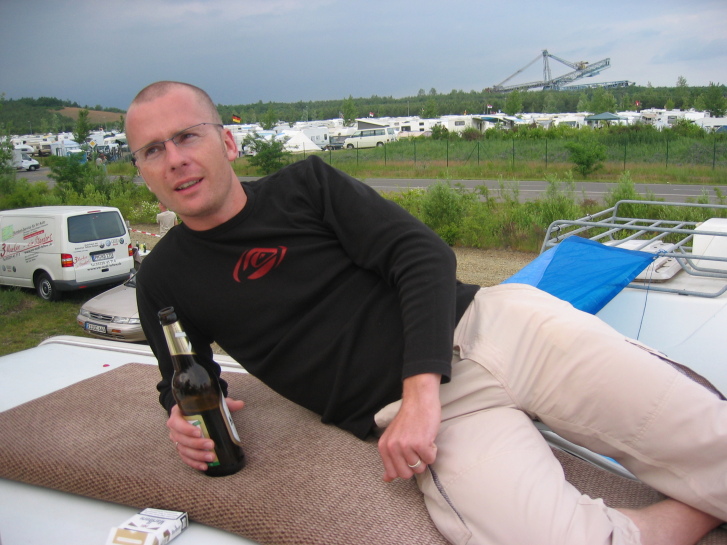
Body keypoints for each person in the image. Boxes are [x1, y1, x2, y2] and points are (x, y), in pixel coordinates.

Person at [127, 81, 727, 545]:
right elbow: (182, 376)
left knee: (712, 439)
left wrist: (421, 396)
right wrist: (179, 416)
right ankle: (698, 509)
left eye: (187, 137)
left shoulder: (304, 187)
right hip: (439, 419)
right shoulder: (162, 280)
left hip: (494, 330)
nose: (174, 159)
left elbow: (422, 255)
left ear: (227, 143)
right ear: (142, 171)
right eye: (153, 150)